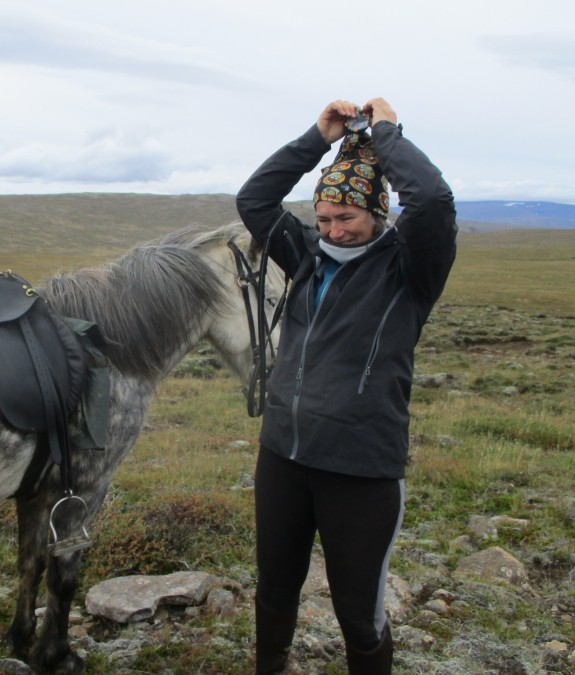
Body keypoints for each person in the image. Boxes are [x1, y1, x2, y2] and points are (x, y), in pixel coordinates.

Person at [236, 98, 457, 674]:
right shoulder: (306, 254)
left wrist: (386, 133)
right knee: (274, 589)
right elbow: (254, 200)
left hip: (361, 469)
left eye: (347, 218)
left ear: (377, 213)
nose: (335, 230)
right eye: (325, 218)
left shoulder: (409, 269)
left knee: (359, 615)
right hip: (283, 456)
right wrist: (318, 137)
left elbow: (432, 201)